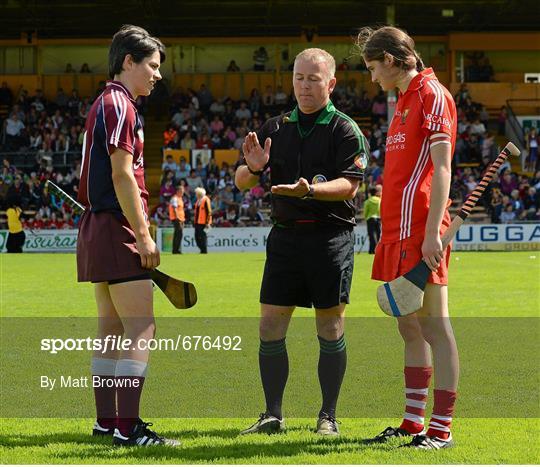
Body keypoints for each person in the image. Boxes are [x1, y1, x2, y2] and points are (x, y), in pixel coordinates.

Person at [235, 48, 368, 436]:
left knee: (330, 327)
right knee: (270, 326)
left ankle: (328, 416)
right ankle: (272, 414)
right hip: (286, 238)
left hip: (330, 239)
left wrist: (312, 189)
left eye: (313, 78)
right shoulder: (276, 127)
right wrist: (255, 167)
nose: (304, 86)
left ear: (331, 83)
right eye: (298, 77)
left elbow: (351, 186)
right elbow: (242, 179)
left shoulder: (345, 129)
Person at [76, 25, 179, 447]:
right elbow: (121, 173)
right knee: (141, 326)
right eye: (152, 66)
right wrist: (143, 233)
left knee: (112, 328)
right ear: (128, 62)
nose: (157, 75)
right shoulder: (121, 104)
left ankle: (107, 422)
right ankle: (129, 428)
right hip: (116, 225)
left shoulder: (106, 102)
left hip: (97, 225)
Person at [357, 26, 459, 450]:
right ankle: (413, 422)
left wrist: (435, 231)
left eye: (372, 66)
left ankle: (442, 429)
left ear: (392, 60)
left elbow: (443, 169)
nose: (372, 76)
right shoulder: (401, 102)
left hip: (421, 229)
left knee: (436, 327)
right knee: (408, 326)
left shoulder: (433, 94)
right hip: (395, 231)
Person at [193, 187, 212, 253]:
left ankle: (204, 250)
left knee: (203, 237)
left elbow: (209, 212)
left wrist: (208, 222)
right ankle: (202, 249)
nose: (196, 195)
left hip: (203, 222)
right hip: (197, 222)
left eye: (196, 193)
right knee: (197, 237)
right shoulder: (198, 200)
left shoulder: (206, 200)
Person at [363, 185, 381, 253]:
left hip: (370, 219)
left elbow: (365, 211)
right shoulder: (379, 200)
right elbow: (380, 209)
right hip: (378, 218)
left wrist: (366, 218)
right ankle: (379, 250)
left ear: (370, 193)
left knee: (371, 235)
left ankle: (372, 250)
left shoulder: (367, 201)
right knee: (379, 235)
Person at [169, 185, 185, 254]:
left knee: (178, 234)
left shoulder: (179, 198)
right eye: (182, 191)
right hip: (177, 219)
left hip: (180, 219)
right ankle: (176, 250)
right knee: (178, 235)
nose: (183, 192)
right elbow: (175, 208)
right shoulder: (175, 198)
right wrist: (177, 218)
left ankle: (175, 250)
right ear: (178, 191)